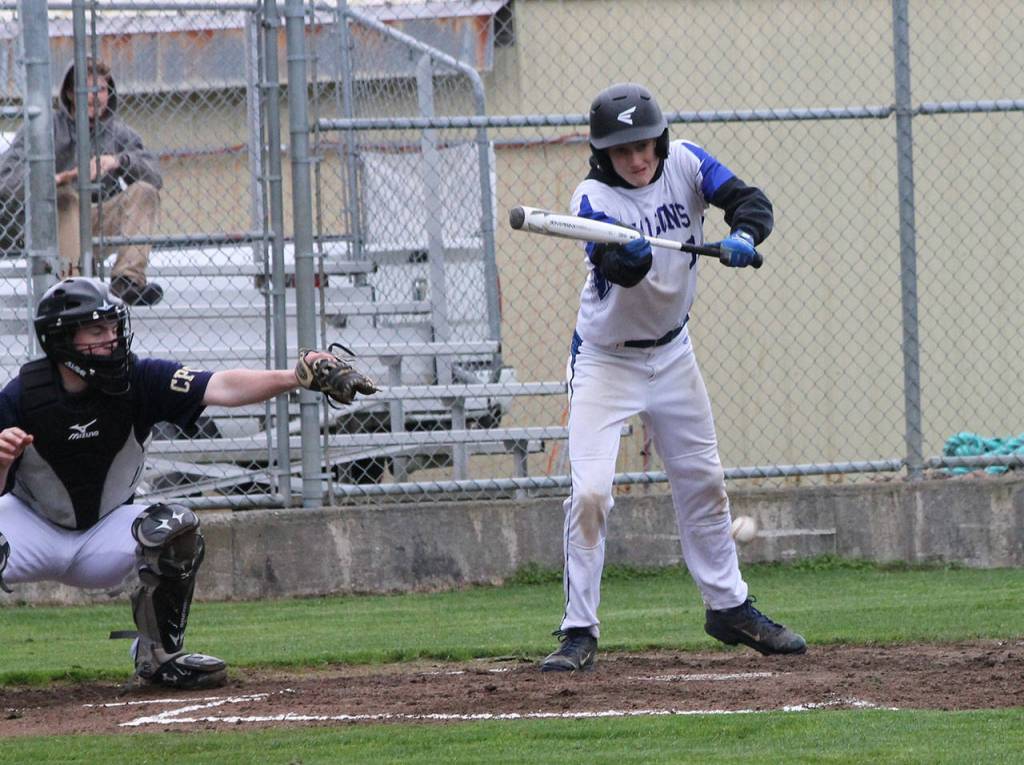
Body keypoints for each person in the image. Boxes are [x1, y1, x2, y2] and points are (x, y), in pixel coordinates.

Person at [541, 83, 806, 672]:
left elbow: (750, 200)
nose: (637, 160)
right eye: (622, 150)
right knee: (589, 493)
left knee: (703, 482)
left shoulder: (685, 161)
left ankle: (729, 607)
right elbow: (612, 265)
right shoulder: (591, 198)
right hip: (606, 361)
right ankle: (578, 629)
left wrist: (743, 235)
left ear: (658, 139)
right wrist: (628, 257)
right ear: (602, 154)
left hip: (673, 353)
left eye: (644, 146)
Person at [0, 277, 377, 689]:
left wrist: (295, 376)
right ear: (61, 339)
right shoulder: (20, 396)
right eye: (97, 330)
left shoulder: (139, 378)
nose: (111, 338)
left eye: (113, 327)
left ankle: (158, 655)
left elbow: (223, 386)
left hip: (103, 533)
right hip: (34, 528)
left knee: (175, 528)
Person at [0, 58, 164, 306]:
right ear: (70, 94)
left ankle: (127, 282)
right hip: (51, 225)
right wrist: (51, 181)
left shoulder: (118, 133)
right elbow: (6, 178)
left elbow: (155, 176)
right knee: (67, 196)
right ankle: (73, 288)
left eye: (101, 90)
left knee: (145, 191)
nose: (95, 97)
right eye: (85, 90)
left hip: (96, 221)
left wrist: (118, 161)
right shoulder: (44, 127)